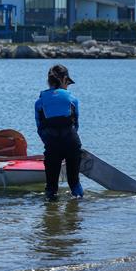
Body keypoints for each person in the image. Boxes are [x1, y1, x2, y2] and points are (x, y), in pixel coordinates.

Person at [35, 64, 83, 201]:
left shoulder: (39, 102)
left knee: (51, 188)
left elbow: (39, 128)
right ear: (64, 80)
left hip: (52, 143)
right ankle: (75, 216)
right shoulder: (72, 100)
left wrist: (51, 143)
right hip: (72, 142)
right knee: (74, 183)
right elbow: (76, 125)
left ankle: (50, 218)